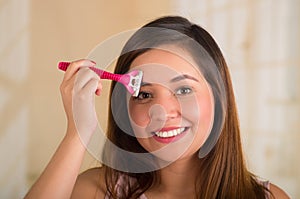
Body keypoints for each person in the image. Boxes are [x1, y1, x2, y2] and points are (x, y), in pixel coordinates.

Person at [25, 16, 290, 199]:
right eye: (144, 94)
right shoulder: (95, 191)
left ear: (219, 99)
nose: (161, 112)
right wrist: (78, 132)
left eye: (184, 90)